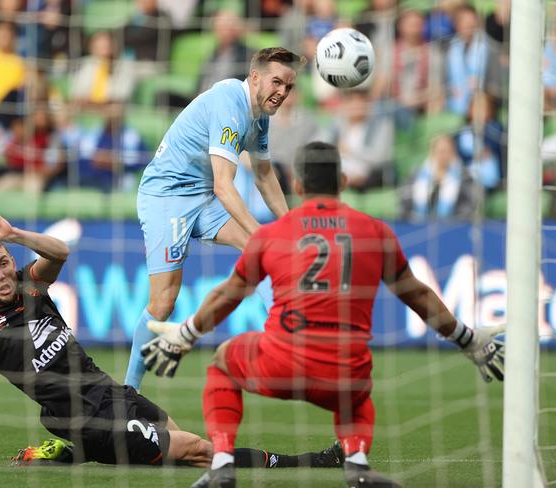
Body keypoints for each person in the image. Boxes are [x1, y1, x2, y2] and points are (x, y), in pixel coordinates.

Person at [141, 141, 505, 488]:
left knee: (222, 362)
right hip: (344, 374)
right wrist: (467, 339)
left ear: (297, 185)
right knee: (360, 395)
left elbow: (229, 294)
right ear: (343, 182)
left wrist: (187, 334)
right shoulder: (375, 232)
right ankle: (357, 463)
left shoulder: (273, 234)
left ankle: (221, 464)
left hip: (280, 362)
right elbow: (417, 294)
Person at [0, 211, 344, 470]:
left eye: (3, 263)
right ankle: (307, 462)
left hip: (109, 391)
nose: (1, 274)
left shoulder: (30, 286)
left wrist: (15, 234)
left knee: (174, 433)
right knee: (198, 449)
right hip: (86, 418)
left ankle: (68, 452)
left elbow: (60, 252)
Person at [125, 47, 306, 390]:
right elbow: (225, 186)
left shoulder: (259, 115)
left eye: (289, 87)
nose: (282, 92)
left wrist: (290, 226)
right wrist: (264, 233)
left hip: (202, 194)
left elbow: (264, 174)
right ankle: (127, 392)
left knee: (262, 251)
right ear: (255, 77)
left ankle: (287, 341)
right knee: (163, 303)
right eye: (277, 82)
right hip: (168, 195)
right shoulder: (228, 102)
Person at [400, 134, 478, 221]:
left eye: (447, 151)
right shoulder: (416, 174)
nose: (443, 156)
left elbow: (469, 207)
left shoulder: (464, 177)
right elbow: (404, 201)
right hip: (418, 226)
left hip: (452, 228)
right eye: (440, 151)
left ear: (454, 153)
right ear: (432, 152)